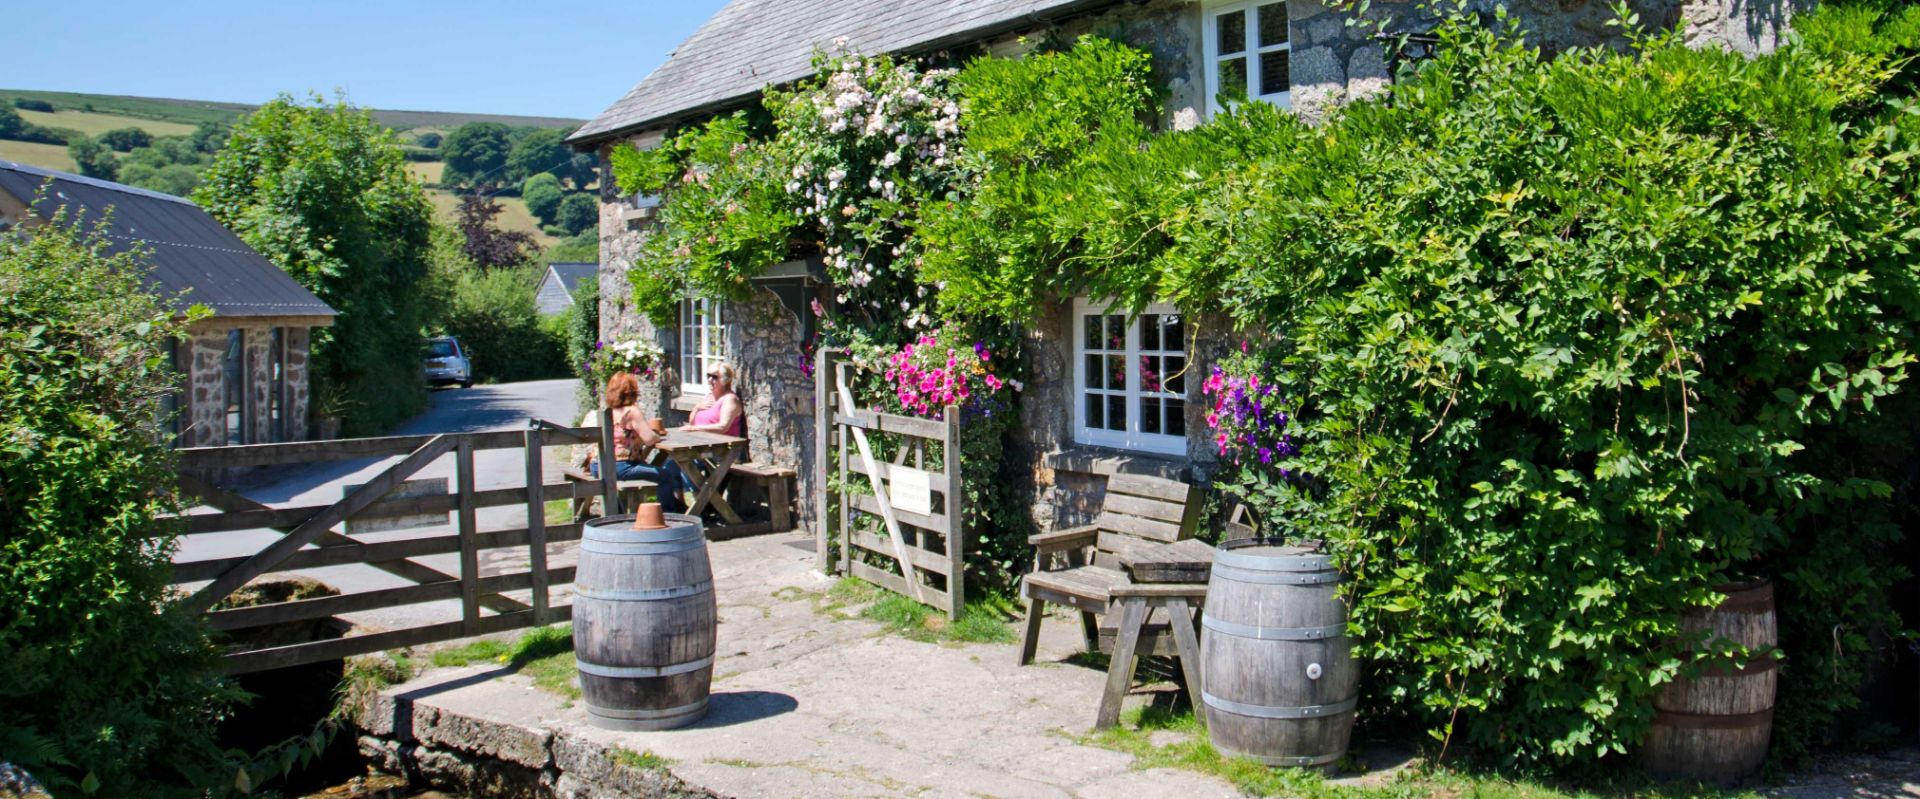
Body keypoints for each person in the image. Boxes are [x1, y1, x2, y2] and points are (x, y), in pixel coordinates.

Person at [658, 362, 746, 513]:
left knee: (686, 463)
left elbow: (722, 426)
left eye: (714, 377)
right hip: (704, 449)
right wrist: (697, 407)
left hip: (722, 452)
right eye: (708, 376)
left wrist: (694, 429)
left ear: (725, 380)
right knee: (671, 464)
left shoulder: (729, 400)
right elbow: (693, 420)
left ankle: (700, 504)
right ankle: (679, 504)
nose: (710, 380)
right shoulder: (709, 397)